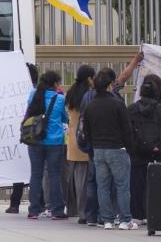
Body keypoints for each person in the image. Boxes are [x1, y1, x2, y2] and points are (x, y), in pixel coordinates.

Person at [83, 71, 135, 229]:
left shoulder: (90, 106)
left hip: (98, 150)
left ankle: (107, 220)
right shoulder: (118, 104)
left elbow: (87, 131)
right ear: (108, 85)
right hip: (117, 149)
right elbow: (127, 129)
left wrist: (94, 145)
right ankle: (125, 220)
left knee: (102, 186)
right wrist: (129, 147)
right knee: (122, 186)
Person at [128, 79, 161, 222]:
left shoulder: (131, 109)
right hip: (159, 152)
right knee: (156, 186)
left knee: (137, 186)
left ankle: (137, 215)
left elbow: (127, 132)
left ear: (141, 93)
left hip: (137, 153)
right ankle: (152, 214)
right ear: (155, 93)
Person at [25, 70, 68, 221]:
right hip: (54, 142)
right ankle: (57, 211)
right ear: (55, 84)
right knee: (54, 175)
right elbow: (65, 118)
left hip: (35, 140)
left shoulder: (33, 94)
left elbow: (28, 112)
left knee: (35, 174)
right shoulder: (59, 98)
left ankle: (34, 210)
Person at [63, 65, 94, 222]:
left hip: (73, 141)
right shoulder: (88, 95)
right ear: (89, 78)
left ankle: (74, 209)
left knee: (75, 181)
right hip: (84, 141)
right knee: (85, 182)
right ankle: (83, 213)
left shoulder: (70, 93)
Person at [8, 63, 39, 214]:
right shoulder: (40, 91)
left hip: (23, 135)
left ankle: (14, 204)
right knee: (37, 172)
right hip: (37, 136)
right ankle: (38, 204)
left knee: (19, 172)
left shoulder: (18, 92)